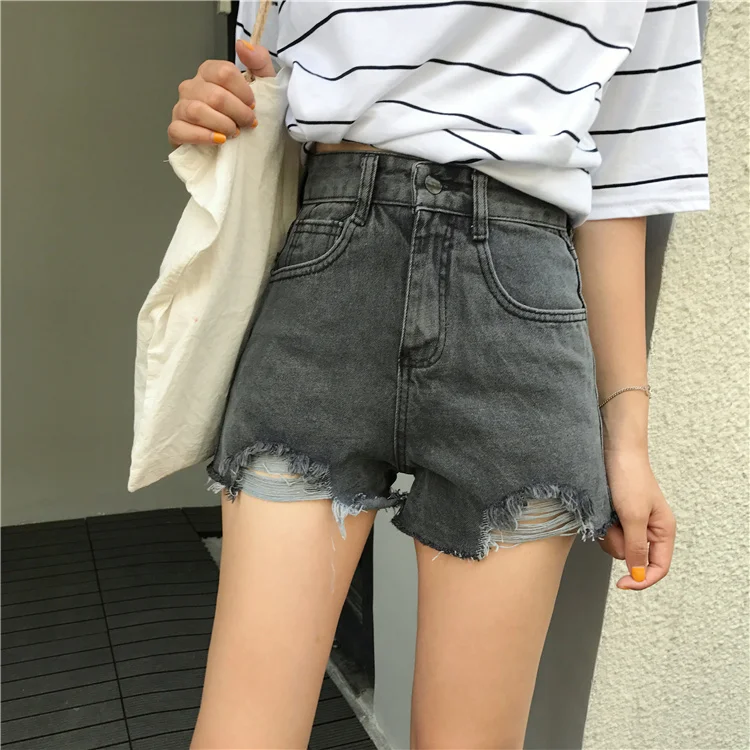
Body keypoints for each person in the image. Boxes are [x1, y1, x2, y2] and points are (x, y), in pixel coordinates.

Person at [170, 2, 709, 747]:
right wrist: (217, 105)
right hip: (327, 279)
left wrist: (628, 439)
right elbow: (268, 94)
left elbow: (625, 183)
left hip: (522, 306)